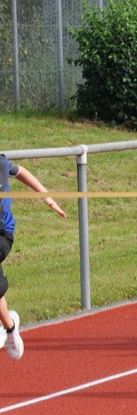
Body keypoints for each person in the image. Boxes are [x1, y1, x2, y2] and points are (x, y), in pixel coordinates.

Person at [0, 154, 67, 359]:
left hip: (3, 234)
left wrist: (46, 197)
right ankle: (9, 327)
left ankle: (9, 329)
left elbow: (21, 172)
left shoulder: (1, 163)